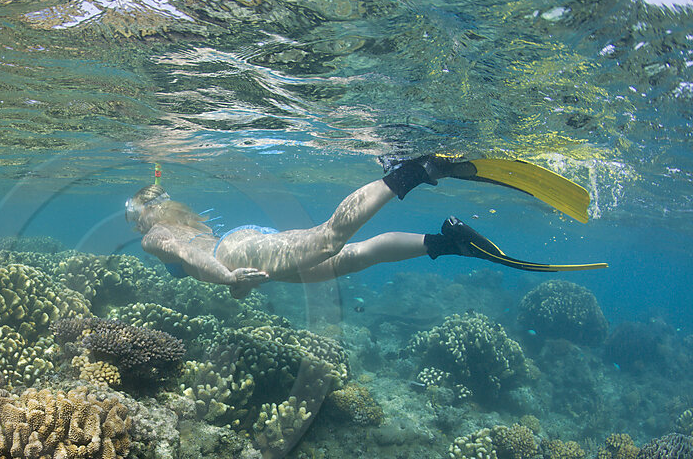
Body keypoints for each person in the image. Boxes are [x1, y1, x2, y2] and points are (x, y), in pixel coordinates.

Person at [126, 156, 607, 298]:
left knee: (330, 237)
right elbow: (200, 253)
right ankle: (446, 241)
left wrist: (228, 277)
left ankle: (414, 171)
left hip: (237, 256)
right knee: (353, 256)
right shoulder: (183, 223)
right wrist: (237, 284)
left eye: (132, 218)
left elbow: (195, 259)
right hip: (244, 249)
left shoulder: (154, 237)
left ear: (144, 217)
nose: (132, 225)